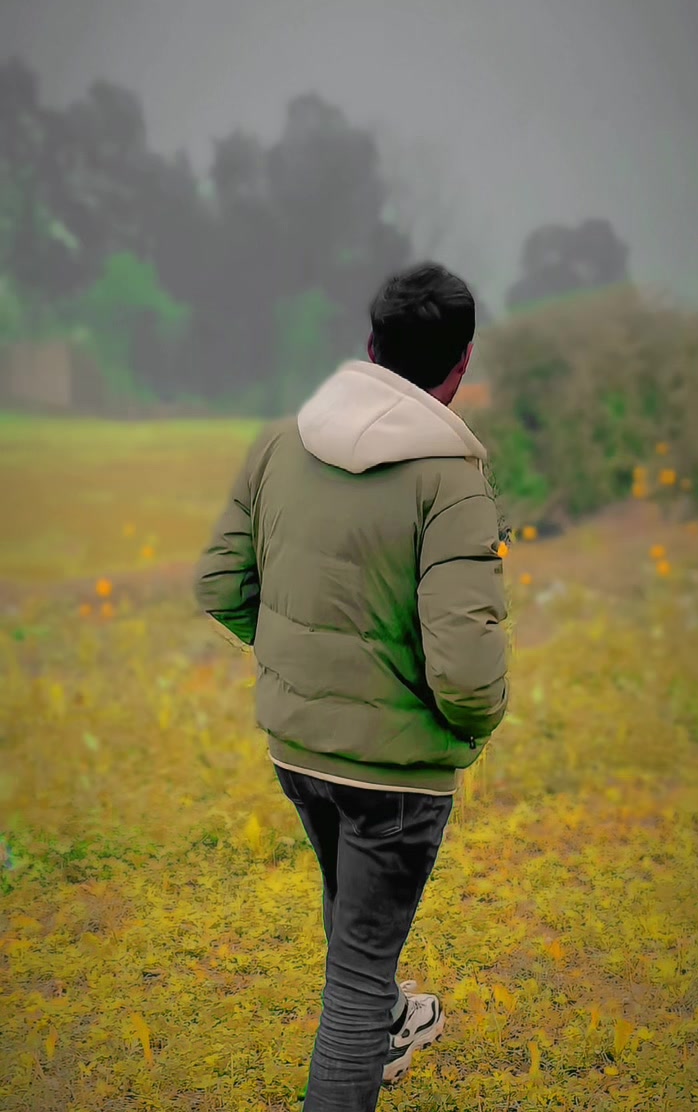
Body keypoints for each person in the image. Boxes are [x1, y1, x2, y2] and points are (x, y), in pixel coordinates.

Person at [194, 262, 509, 1111]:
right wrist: (469, 730)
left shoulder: (278, 442)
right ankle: (381, 1020)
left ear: (370, 346)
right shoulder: (453, 480)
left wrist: (305, 667)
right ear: (463, 362)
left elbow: (220, 583)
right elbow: (468, 673)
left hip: (298, 751)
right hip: (395, 778)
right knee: (357, 987)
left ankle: (395, 1022)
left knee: (355, 932)